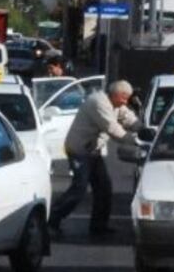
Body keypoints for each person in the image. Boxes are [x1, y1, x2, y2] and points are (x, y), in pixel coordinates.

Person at [48, 80, 143, 236]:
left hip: (93, 151)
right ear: (115, 94)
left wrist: (142, 128)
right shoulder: (98, 103)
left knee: (104, 188)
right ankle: (53, 219)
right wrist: (135, 140)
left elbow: (127, 117)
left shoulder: (115, 104)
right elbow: (112, 128)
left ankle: (99, 226)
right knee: (79, 188)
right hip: (79, 150)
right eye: (124, 98)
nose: (125, 102)